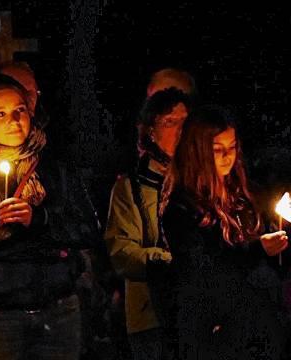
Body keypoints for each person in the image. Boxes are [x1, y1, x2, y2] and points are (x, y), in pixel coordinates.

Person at [0, 73, 99, 359]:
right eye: (1, 113)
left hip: (56, 309)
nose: (14, 120)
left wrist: (37, 220)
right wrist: (45, 241)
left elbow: (87, 228)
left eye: (19, 111)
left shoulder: (53, 164)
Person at [154, 105, 287, 359]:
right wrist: (257, 249)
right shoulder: (183, 206)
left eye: (232, 147)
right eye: (217, 150)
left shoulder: (241, 194)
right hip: (215, 330)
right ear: (199, 152)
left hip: (258, 322)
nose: (228, 156)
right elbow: (204, 268)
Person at [104, 87, 191, 360]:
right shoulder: (132, 188)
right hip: (151, 314)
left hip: (198, 311)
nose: (180, 130)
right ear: (151, 131)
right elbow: (122, 253)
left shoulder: (200, 182)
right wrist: (166, 261)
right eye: (170, 122)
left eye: (185, 122)